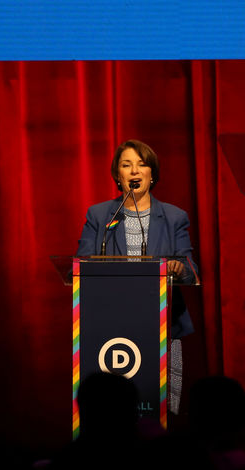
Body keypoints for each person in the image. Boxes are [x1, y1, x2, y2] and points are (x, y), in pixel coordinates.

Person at [76, 139, 198, 414]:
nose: (134, 171)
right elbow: (82, 264)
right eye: (126, 165)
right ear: (117, 176)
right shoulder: (99, 215)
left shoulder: (174, 217)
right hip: (108, 327)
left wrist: (180, 269)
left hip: (164, 326)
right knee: (109, 410)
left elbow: (190, 270)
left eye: (141, 165)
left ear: (151, 174)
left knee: (166, 408)